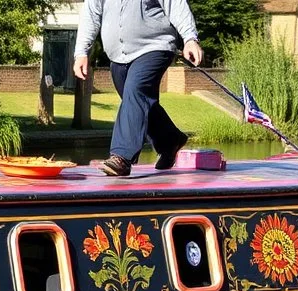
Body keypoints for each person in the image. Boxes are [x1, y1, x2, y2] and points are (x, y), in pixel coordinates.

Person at [73, 0, 204, 177]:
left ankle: (122, 157)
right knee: (137, 102)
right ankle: (170, 140)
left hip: (154, 47)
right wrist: (81, 52)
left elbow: (175, 4)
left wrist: (189, 38)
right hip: (118, 57)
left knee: (136, 92)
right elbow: (91, 14)